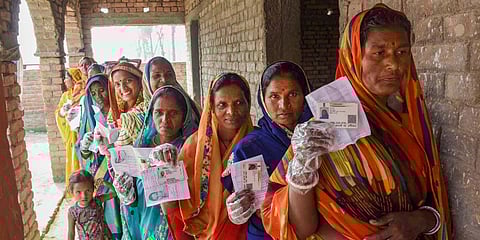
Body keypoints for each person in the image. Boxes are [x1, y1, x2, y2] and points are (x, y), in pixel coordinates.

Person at [262, 4, 452, 240]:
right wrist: (302, 170)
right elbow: (299, 228)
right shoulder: (325, 129)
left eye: (402, 52)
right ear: (354, 57)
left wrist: (421, 220)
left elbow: (435, 200)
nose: (393, 64)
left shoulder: (411, 124)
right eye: (379, 53)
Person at [156, 73, 253, 239]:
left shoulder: (257, 143)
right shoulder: (193, 148)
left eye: (239, 103)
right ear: (212, 108)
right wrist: (164, 170)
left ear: (248, 104)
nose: (231, 111)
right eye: (222, 105)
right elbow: (171, 208)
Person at [225, 61, 313, 240]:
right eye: (274, 96)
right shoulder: (250, 148)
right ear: (263, 100)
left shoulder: (319, 137)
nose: (283, 105)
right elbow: (251, 205)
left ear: (306, 96)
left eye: (293, 94)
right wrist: (238, 208)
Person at [112, 86, 199, 240]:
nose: (165, 120)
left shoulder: (192, 151)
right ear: (151, 114)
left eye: (173, 113)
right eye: (159, 113)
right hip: (144, 228)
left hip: (178, 231)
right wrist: (126, 194)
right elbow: (133, 202)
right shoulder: (140, 147)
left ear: (184, 116)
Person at [76, 72, 123, 239]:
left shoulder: (122, 112)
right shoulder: (91, 116)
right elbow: (83, 151)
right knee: (106, 215)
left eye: (102, 90)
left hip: (119, 171)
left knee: (121, 211)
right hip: (100, 177)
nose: (98, 97)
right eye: (93, 93)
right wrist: (85, 147)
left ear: (110, 89)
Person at [67, 170, 116, 240]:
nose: (84, 196)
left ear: (93, 189)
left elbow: (115, 193)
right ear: (72, 192)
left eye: (88, 191)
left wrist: (105, 183)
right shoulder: (73, 212)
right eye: (78, 192)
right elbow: (71, 233)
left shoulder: (98, 201)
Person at [55, 68, 85, 182]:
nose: (64, 81)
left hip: (80, 133)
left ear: (74, 80)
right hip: (70, 134)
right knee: (73, 158)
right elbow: (58, 113)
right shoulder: (65, 96)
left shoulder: (82, 94)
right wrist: (62, 112)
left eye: (66, 78)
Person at [108, 60, 145, 145]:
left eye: (128, 81)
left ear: (139, 81)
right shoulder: (114, 110)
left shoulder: (147, 108)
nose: (123, 88)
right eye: (117, 84)